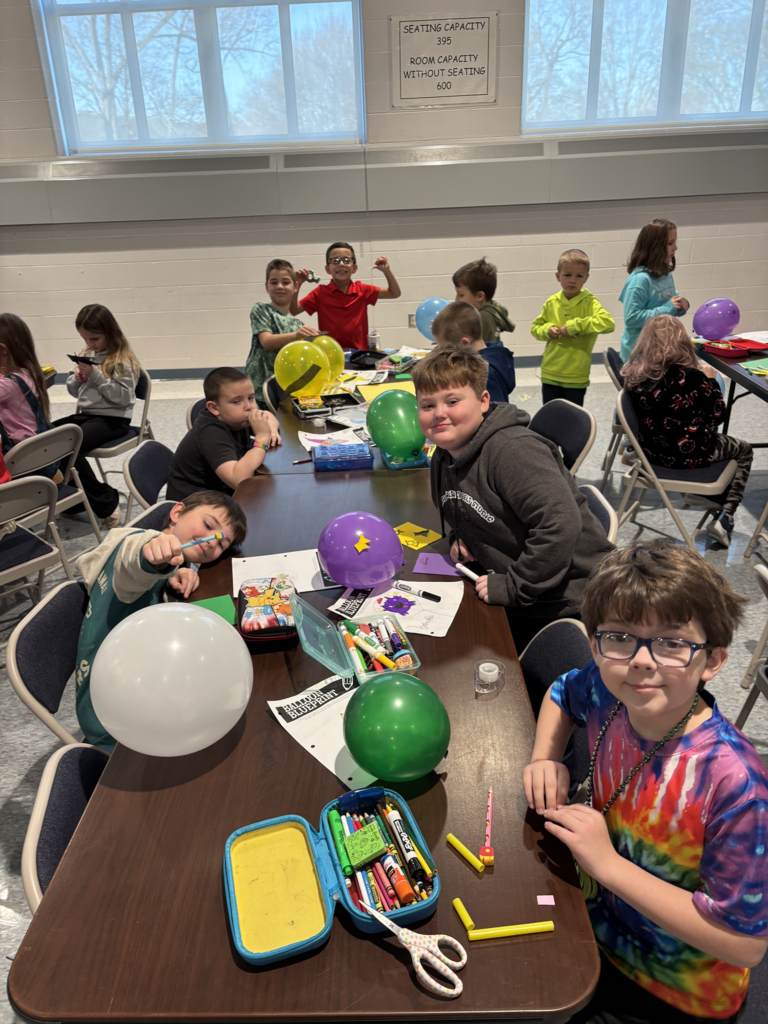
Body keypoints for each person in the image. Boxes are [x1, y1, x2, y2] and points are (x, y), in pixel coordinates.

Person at [524, 541, 768, 1023]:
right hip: (589, 927)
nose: (641, 660)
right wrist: (545, 757)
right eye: (619, 637)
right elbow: (560, 691)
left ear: (714, 661)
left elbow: (743, 946)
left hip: (671, 992)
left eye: (673, 643)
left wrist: (608, 866)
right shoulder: (602, 685)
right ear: (596, 645)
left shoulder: (735, 782)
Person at [411, 347, 614, 654]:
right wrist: (462, 538)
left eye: (452, 401)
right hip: (518, 583)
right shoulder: (444, 455)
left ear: (482, 402)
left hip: (565, 601)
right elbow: (461, 505)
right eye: (427, 405)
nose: (439, 413)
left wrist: (512, 586)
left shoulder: (513, 452)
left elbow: (560, 527)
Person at [75, 491, 247, 752]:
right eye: (209, 525)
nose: (213, 542)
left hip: (142, 688)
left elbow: (166, 568)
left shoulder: (181, 560)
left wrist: (174, 575)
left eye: (222, 544)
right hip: (114, 722)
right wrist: (153, 557)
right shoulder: (146, 543)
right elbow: (133, 563)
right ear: (177, 513)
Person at [622, 315, 753, 547]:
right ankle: (727, 516)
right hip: (689, 455)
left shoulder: (633, 376)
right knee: (743, 449)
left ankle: (708, 498)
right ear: (682, 342)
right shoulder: (692, 377)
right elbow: (718, 416)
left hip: (652, 454)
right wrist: (711, 381)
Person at [55, 304, 140, 528]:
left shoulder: (123, 360)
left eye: (94, 339)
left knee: (68, 446)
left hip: (114, 420)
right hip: (89, 415)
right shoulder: (88, 354)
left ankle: (106, 501)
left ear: (109, 333)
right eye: (85, 339)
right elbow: (74, 392)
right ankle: (75, 501)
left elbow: (122, 399)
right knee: (46, 438)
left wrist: (96, 376)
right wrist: (77, 379)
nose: (89, 345)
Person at [167, 367, 280, 501]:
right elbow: (239, 481)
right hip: (197, 506)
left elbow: (267, 415)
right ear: (214, 408)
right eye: (236, 401)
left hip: (221, 495)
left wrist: (271, 431)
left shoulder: (237, 418)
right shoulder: (210, 433)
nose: (248, 406)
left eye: (250, 398)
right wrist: (261, 438)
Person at [531, 249, 615, 407]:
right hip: (550, 372)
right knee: (550, 417)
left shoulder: (590, 302)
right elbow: (536, 329)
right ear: (558, 276)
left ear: (586, 278)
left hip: (576, 377)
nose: (573, 281)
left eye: (579, 276)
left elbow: (608, 323)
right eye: (567, 275)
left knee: (571, 420)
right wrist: (547, 330)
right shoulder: (552, 302)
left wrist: (576, 325)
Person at [291, 242, 401, 350]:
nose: (341, 264)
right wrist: (298, 284)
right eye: (335, 261)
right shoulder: (319, 293)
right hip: (330, 355)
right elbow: (294, 310)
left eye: (347, 260)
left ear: (354, 268)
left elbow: (394, 293)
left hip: (359, 356)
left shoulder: (363, 290)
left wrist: (386, 271)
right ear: (327, 269)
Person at [246, 259, 319, 407]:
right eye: (274, 282)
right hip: (261, 391)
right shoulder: (261, 309)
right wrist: (296, 336)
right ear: (266, 287)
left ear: (295, 287)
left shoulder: (298, 325)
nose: (280, 286)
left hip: (286, 390)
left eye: (286, 282)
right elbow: (266, 342)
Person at [619, 218, 689, 362]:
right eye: (670, 243)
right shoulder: (640, 280)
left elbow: (671, 300)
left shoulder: (665, 274)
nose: (675, 247)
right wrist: (667, 308)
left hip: (661, 350)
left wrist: (681, 304)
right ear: (654, 247)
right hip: (640, 357)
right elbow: (632, 318)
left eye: (675, 242)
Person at [0, 313, 57, 474]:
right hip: (39, 452)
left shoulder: (9, 385)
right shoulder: (28, 372)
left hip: (23, 459)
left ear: (2, 349)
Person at [431, 301, 515, 402]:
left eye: (446, 348)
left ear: (464, 343)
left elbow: (495, 414)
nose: (444, 353)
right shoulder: (493, 354)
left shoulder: (484, 374)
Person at [452, 256, 516, 345]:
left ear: (479, 296)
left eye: (461, 295)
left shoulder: (483, 317)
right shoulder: (488, 312)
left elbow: (474, 350)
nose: (456, 299)